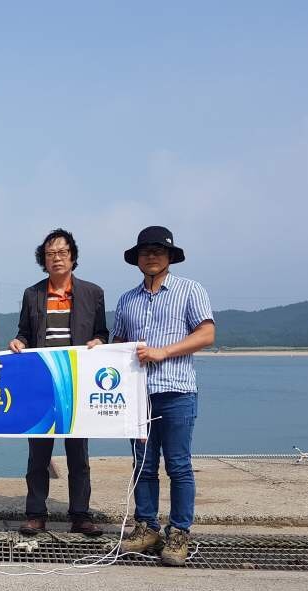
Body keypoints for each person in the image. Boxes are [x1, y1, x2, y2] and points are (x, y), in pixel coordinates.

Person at [112, 226, 215, 566]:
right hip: (138, 396)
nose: (152, 256)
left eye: (158, 250)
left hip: (177, 390)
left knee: (179, 465)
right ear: (137, 259)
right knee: (142, 465)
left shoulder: (190, 290)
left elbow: (206, 334)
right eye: (145, 251)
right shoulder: (127, 299)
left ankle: (179, 531)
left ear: (170, 256)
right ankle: (146, 527)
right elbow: (118, 345)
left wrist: (163, 352)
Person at [10, 229, 109, 537]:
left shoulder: (93, 293)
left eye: (62, 252)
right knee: (38, 453)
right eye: (50, 253)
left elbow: (102, 333)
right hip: (42, 385)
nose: (57, 258)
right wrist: (18, 342)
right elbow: (24, 332)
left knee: (78, 454)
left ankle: (80, 514)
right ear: (44, 259)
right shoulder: (32, 294)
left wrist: (98, 341)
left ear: (73, 257)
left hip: (77, 385)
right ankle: (35, 513)